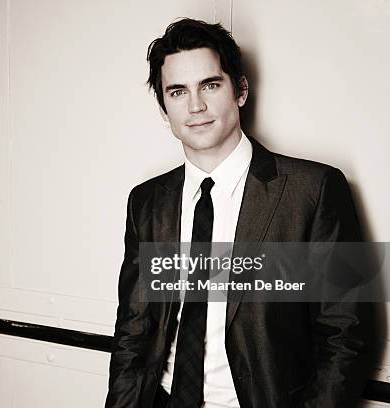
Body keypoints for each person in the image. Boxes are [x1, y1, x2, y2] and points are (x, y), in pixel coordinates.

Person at [105, 18, 374, 408]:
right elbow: (134, 331)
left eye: (210, 85)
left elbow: (346, 337)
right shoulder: (147, 201)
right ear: (164, 109)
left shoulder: (313, 191)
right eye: (177, 92)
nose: (195, 106)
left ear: (241, 91)